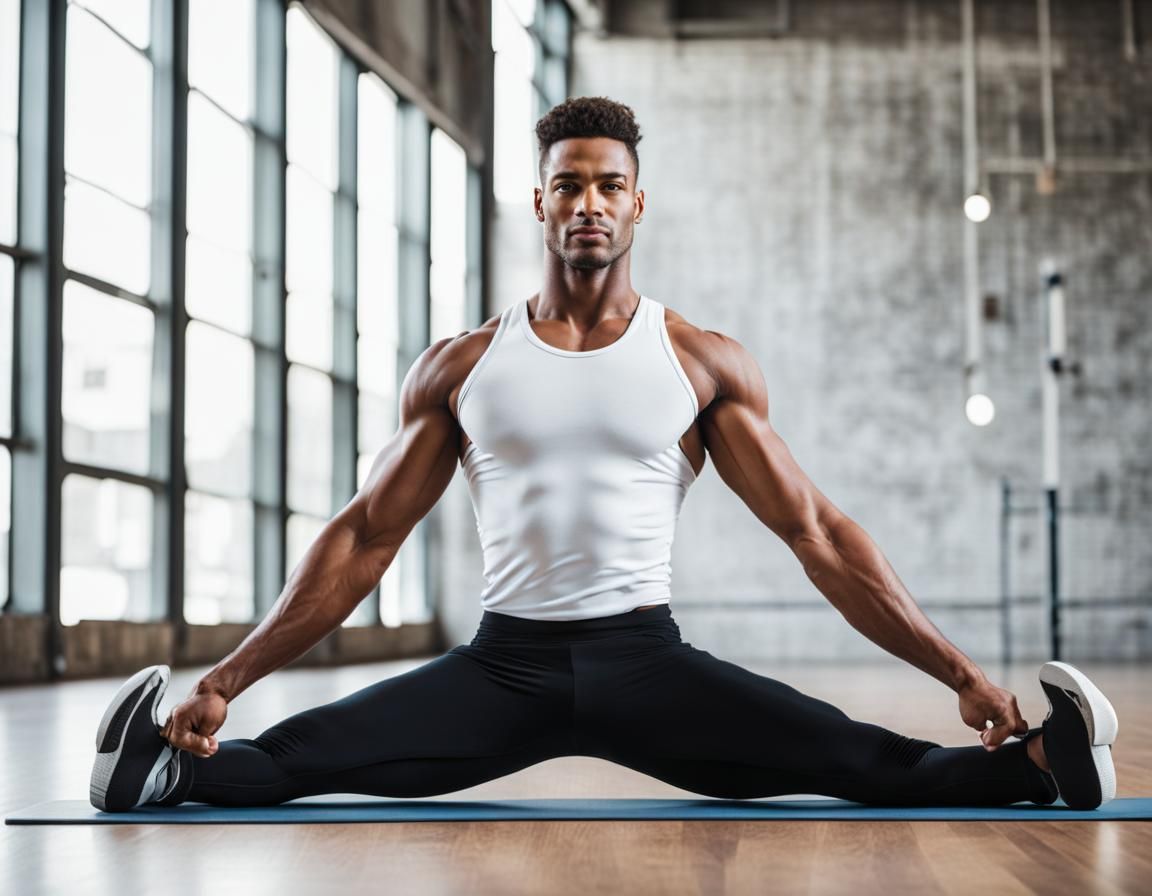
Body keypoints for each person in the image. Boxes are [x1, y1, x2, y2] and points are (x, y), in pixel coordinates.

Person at [89, 96, 1118, 814]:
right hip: (502, 665)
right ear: (539, 202)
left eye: (609, 185)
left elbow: (818, 535)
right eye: (568, 185)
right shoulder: (460, 366)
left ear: (637, 203)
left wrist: (960, 672)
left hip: (647, 664)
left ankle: (1041, 757)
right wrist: (227, 678)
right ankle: (162, 771)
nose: (588, 202)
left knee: (854, 754)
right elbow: (365, 537)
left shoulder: (701, 363)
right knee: (302, 754)